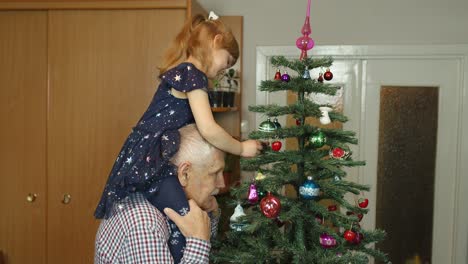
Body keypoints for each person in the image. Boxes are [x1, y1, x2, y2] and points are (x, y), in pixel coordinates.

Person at [94, 11, 262, 262]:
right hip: (151, 154)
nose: (222, 71)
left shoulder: (184, 73)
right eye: (226, 63)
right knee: (185, 215)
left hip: (152, 153)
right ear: (216, 42)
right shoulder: (193, 75)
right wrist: (241, 148)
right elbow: (208, 128)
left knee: (193, 217)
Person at [95, 124, 225, 263]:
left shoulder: (167, 199)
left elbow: (212, 256)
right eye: (215, 173)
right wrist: (199, 242)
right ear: (184, 174)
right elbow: (201, 249)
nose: (222, 184)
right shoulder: (145, 224)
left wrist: (212, 216)